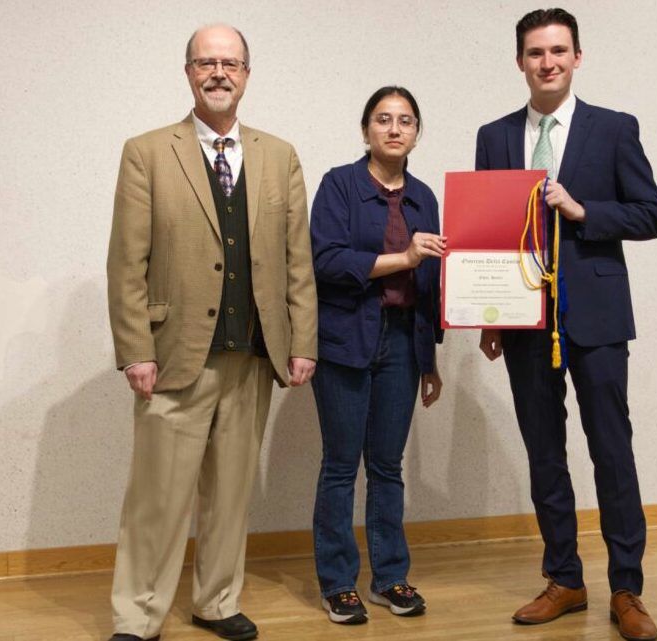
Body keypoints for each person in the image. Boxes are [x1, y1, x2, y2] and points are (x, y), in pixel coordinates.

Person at [106, 24, 317, 641]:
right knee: (158, 500)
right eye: (206, 62)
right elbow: (127, 262)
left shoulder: (279, 155)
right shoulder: (147, 151)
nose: (218, 72)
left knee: (229, 497)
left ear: (247, 73)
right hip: (173, 356)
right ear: (189, 72)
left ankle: (217, 602)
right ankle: (138, 615)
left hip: (253, 354)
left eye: (230, 62)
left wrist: (303, 339)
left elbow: (296, 259)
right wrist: (135, 350)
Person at [476, 8, 657, 641]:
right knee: (544, 453)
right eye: (536, 52)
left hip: (598, 317)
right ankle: (564, 577)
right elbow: (490, 233)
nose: (548, 62)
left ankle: (627, 589)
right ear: (521, 62)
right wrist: (488, 314)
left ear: (577, 57)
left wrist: (584, 211)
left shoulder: (614, 129)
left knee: (612, 451)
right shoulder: (494, 134)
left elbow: (651, 213)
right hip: (525, 319)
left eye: (559, 50)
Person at [309, 86, 444, 625]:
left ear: (416, 132)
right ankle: (338, 583)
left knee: (387, 466)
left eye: (405, 120)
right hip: (345, 340)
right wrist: (402, 257)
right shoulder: (339, 185)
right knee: (341, 466)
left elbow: (430, 281)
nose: (394, 128)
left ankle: (389, 576)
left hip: (404, 343)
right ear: (366, 129)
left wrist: (430, 360)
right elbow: (327, 260)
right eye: (383, 119)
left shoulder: (425, 197)